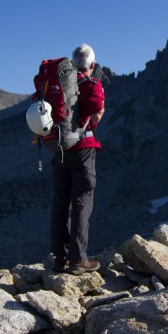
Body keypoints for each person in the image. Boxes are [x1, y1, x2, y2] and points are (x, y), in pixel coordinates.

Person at [50, 44, 105, 274]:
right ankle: (78, 259)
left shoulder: (59, 86)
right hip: (82, 149)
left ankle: (58, 258)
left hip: (59, 149)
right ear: (92, 65)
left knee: (60, 202)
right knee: (82, 200)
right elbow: (95, 116)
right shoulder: (93, 84)